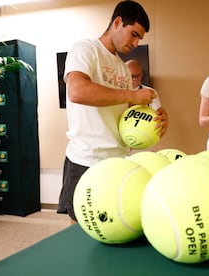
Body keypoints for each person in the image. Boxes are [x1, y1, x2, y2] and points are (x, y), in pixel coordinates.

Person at [58, 0, 168, 223]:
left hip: (118, 160)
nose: (136, 43)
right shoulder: (85, 48)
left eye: (140, 39)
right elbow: (77, 91)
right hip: (86, 158)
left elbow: (125, 112)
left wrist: (155, 119)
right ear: (117, 22)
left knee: (115, 227)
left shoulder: (122, 68)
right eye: (134, 34)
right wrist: (132, 95)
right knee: (78, 231)